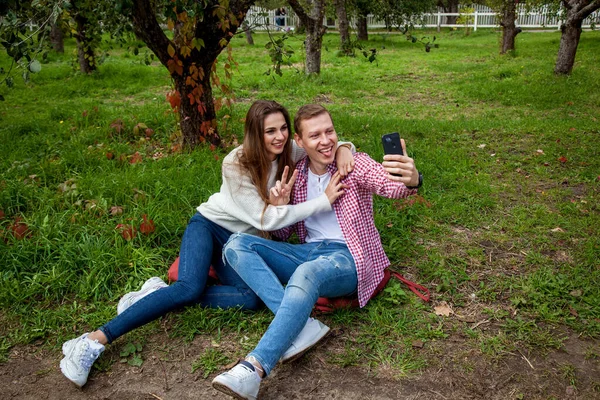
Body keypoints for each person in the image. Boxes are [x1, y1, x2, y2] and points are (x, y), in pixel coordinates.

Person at [59, 100, 356, 388]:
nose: (279, 137)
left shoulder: (288, 149)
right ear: (255, 133)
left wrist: (345, 148)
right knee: (189, 287)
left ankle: (157, 297)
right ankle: (92, 341)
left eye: (283, 129)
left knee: (249, 299)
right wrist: (322, 201)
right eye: (270, 131)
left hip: (240, 243)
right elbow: (265, 219)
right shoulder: (235, 163)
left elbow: (320, 143)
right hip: (210, 227)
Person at [212, 104, 422, 400]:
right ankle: (304, 325)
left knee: (306, 272)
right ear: (299, 142)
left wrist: (411, 179)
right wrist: (280, 207)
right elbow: (285, 235)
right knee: (236, 244)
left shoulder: (353, 164)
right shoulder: (297, 174)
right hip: (310, 252)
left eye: (330, 132)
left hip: (348, 257)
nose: (326, 141)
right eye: (316, 135)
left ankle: (254, 368)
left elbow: (391, 186)